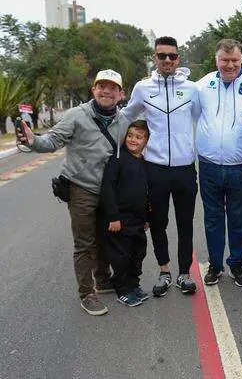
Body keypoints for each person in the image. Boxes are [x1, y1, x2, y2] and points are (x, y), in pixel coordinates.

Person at [17, 69, 130, 316]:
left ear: (120, 94)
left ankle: (102, 278)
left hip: (108, 192)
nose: (106, 92)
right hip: (81, 188)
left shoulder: (124, 121)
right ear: (94, 89)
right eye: (102, 86)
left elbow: (132, 151)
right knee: (85, 244)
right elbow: (52, 141)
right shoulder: (76, 116)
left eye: (112, 88)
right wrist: (32, 140)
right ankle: (87, 293)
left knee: (105, 239)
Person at [122, 36, 200, 297]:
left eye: (172, 56)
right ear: (154, 58)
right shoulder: (143, 88)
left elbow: (203, 119)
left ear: (178, 59)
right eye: (162, 55)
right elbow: (126, 116)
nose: (167, 60)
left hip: (185, 169)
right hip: (154, 169)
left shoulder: (191, 89)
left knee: (185, 223)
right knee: (158, 222)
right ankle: (164, 270)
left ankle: (184, 273)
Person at [196, 38, 242, 288]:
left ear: (241, 60)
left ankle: (236, 264)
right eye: (225, 60)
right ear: (217, 60)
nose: (230, 65)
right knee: (213, 219)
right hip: (208, 166)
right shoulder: (203, 85)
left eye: (234, 60)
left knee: (239, 218)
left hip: (240, 167)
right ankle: (215, 266)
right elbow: (191, 117)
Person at [100, 120, 150, 307]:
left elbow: (144, 192)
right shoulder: (118, 159)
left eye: (139, 137)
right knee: (121, 257)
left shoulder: (143, 161)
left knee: (138, 253)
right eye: (130, 136)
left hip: (137, 220)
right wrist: (113, 216)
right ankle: (122, 289)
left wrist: (146, 218)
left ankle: (133, 284)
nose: (133, 140)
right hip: (119, 219)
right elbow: (108, 188)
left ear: (146, 141)